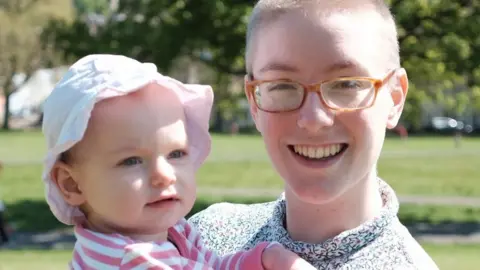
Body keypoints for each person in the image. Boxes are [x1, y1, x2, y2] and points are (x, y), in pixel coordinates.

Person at [189, 0, 439, 269]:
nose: (313, 120)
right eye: (282, 85)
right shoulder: (201, 240)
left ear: (395, 97)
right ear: (254, 102)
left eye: (347, 84)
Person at [41, 54, 315, 269]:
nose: (164, 175)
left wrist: (266, 258)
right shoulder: (130, 260)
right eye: (131, 161)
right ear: (72, 184)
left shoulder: (173, 230)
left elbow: (213, 266)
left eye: (176, 154)